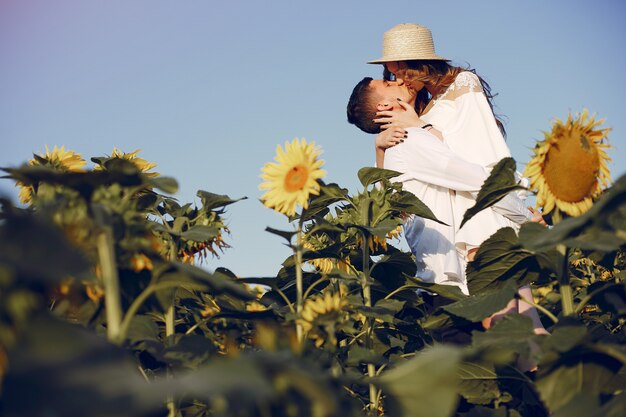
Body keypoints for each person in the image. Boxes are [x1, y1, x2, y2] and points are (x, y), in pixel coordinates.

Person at [365, 23, 548, 334]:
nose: (391, 76)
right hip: (467, 214)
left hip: (483, 209)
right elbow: (400, 192)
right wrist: (380, 147)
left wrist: (516, 210)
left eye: (390, 71)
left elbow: (473, 158)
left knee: (513, 325)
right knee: (527, 327)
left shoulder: (463, 85)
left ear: (403, 64)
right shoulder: (418, 109)